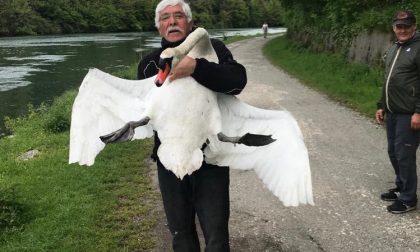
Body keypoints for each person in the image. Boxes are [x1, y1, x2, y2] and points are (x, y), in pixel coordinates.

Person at [137, 0, 247, 251]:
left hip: (211, 161)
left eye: (178, 16)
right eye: (165, 18)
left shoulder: (213, 49)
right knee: (182, 237)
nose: (172, 21)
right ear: (159, 27)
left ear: (189, 22)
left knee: (217, 237)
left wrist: (197, 67)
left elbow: (237, 81)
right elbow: (145, 109)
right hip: (170, 163)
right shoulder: (149, 64)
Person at [376, 10, 420, 214]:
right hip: (392, 110)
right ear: (394, 28)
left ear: (414, 26)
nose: (402, 30)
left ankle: (409, 198)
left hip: (408, 113)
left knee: (404, 155)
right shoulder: (395, 47)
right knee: (393, 151)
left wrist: (418, 112)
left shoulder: (418, 48)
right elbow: (388, 81)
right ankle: (402, 187)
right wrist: (381, 105)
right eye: (398, 26)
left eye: (406, 26)